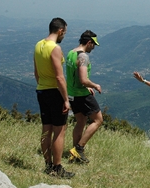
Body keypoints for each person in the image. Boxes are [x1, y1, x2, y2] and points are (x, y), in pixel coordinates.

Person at [33, 17, 74, 178]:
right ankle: (57, 168)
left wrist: (42, 85)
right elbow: (59, 77)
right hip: (54, 92)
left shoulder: (38, 45)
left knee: (46, 130)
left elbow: (36, 72)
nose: (64, 35)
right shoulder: (55, 48)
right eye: (64, 32)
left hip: (41, 90)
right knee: (59, 131)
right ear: (60, 31)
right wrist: (65, 99)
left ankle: (47, 164)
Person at [66, 30, 103, 164]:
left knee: (80, 122)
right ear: (89, 42)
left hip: (72, 94)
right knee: (98, 120)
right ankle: (79, 149)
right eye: (93, 44)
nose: (93, 47)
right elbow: (83, 79)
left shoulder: (71, 53)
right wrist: (94, 85)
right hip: (82, 95)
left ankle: (74, 155)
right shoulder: (83, 57)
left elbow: (74, 76)